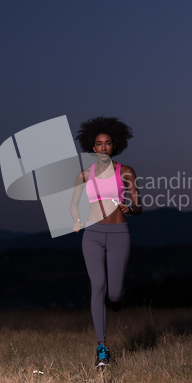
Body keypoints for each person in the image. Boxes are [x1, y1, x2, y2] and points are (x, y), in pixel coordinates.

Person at [70, 116, 142, 367]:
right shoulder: (83, 175)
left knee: (112, 293)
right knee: (97, 285)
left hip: (119, 233)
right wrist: (77, 220)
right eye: (99, 144)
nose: (103, 147)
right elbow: (73, 204)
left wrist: (129, 209)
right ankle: (102, 347)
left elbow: (139, 206)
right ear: (92, 146)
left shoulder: (127, 172)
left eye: (108, 143)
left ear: (115, 146)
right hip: (92, 235)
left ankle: (118, 298)